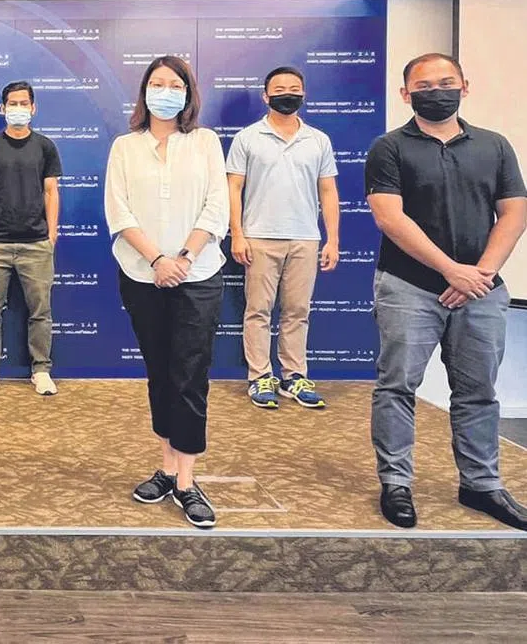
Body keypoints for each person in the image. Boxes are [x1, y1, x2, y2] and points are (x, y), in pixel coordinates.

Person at [366, 53, 527, 531]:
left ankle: (481, 484)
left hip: (481, 290)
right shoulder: (388, 148)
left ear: (464, 86)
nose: (436, 92)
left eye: (446, 82)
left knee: (478, 392)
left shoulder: (494, 146)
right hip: (408, 287)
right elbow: (389, 217)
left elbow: (514, 213)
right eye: (424, 86)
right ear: (405, 94)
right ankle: (396, 483)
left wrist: (479, 274)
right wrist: (450, 271)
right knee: (397, 387)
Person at [104, 55, 228, 529]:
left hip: (198, 274)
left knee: (190, 374)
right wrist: (158, 260)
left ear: (188, 93)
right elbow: (119, 211)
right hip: (142, 275)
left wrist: (184, 258)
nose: (165, 91)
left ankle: (187, 481)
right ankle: (167, 467)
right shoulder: (125, 146)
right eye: (157, 83)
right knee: (159, 371)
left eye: (175, 85)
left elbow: (216, 207)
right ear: (143, 91)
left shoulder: (205, 142)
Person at [227, 66, 340, 410]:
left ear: (304, 94)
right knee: (258, 311)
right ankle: (260, 376)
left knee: (297, 311)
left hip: (305, 238)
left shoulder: (318, 140)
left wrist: (332, 239)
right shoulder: (248, 138)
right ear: (266, 96)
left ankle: (294, 376)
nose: (287, 94)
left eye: (294, 89)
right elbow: (233, 187)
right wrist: (237, 234)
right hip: (259, 237)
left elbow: (328, 191)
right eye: (278, 89)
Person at [0, 81, 62, 396]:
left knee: (40, 311)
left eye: (24, 103)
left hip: (36, 244)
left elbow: (51, 192)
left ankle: (41, 370)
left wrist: (51, 234)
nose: (19, 109)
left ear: (33, 108)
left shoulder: (45, 147)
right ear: (3, 108)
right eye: (13, 103)